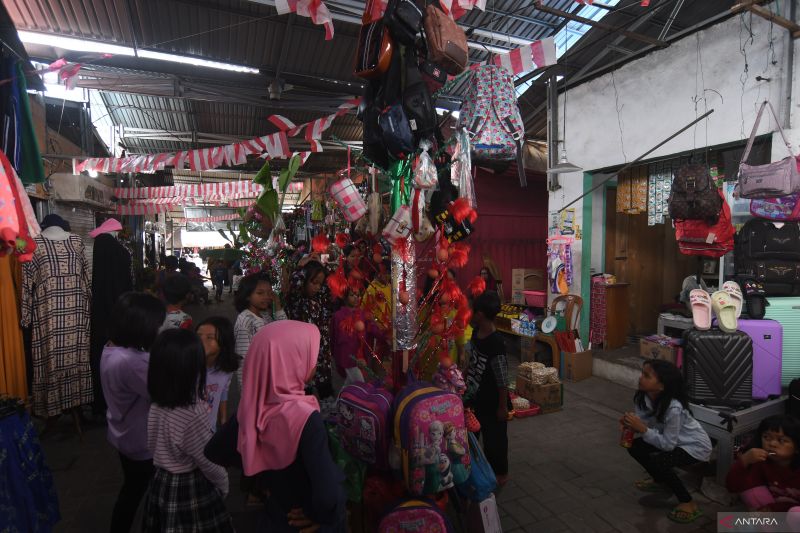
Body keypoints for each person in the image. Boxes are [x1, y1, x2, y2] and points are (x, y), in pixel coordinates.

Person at [204, 321, 347, 532]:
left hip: (276, 513)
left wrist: (259, 472)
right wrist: (319, 516)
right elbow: (327, 496)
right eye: (310, 355)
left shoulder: (252, 408)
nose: (314, 362)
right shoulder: (305, 418)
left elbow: (215, 450)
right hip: (302, 520)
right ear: (291, 361)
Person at [143, 329, 234, 532]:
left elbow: (152, 443)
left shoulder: (157, 404)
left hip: (161, 481)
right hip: (189, 486)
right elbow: (208, 459)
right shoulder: (192, 411)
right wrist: (224, 484)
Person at [100, 292, 166, 533]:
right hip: (141, 440)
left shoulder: (111, 349)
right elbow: (164, 391)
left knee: (132, 490)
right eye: (157, 324)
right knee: (140, 493)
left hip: (123, 433)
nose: (159, 329)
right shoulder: (131, 361)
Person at [621, 359, 712, 524]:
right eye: (642, 373)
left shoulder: (673, 408)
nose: (641, 378)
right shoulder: (643, 396)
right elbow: (644, 421)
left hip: (694, 447)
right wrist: (631, 423)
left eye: (647, 376)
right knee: (634, 447)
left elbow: (668, 445)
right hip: (671, 440)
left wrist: (642, 429)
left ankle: (687, 502)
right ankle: (661, 481)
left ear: (662, 386)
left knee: (660, 461)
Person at [464, 290, 509, 486]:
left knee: (495, 444)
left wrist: (502, 406)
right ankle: (476, 473)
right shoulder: (476, 333)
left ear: (480, 314)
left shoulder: (496, 343)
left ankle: (500, 477)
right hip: (475, 399)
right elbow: (472, 363)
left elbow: (502, 379)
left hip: (492, 404)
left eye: (473, 312)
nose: (471, 315)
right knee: (471, 438)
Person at [726, 415, 800, 513]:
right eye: (766, 437)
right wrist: (744, 460)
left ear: (797, 448)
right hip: (775, 515)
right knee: (751, 493)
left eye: (782, 440)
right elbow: (733, 487)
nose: (772, 444)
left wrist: (774, 509)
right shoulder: (761, 462)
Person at [285, 260, 334, 400]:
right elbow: (295, 283)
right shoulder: (296, 300)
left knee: (326, 393)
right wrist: (302, 267)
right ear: (304, 279)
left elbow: (328, 287)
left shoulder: (321, 300)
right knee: (303, 392)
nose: (317, 287)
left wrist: (322, 268)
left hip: (321, 354)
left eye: (320, 283)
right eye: (313, 282)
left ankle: (328, 419)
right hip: (302, 354)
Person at [234, 273, 286, 387]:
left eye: (269, 293)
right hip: (256, 384)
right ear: (247, 295)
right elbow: (243, 358)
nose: (266, 297)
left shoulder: (265, 315)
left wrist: (277, 304)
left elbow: (283, 331)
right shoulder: (245, 321)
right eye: (260, 293)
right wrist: (247, 390)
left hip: (270, 378)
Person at [331, 287, 385, 388]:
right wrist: (334, 354)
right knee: (359, 384)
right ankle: (346, 402)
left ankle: (340, 403)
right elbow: (334, 337)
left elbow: (373, 329)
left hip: (359, 355)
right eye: (352, 295)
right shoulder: (338, 316)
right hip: (346, 357)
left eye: (358, 295)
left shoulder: (364, 314)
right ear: (345, 298)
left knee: (350, 385)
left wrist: (385, 335)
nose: (356, 298)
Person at [197, 317, 239, 430]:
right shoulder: (188, 366)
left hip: (210, 429)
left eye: (210, 337)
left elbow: (223, 392)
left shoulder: (226, 370)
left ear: (224, 342)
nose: (201, 341)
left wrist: (223, 421)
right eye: (198, 336)